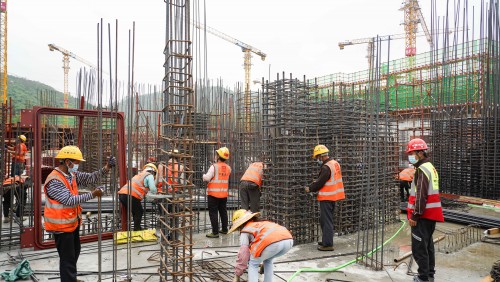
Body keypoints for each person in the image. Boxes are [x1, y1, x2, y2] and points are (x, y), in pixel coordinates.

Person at [43, 145, 116, 282]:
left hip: (71, 224)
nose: (77, 165)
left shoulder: (71, 175)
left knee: (74, 253)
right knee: (67, 258)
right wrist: (93, 194)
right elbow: (69, 200)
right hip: (61, 227)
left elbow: (90, 178)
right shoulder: (54, 180)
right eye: (76, 162)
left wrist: (107, 168)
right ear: (67, 162)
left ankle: (71, 278)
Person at [406, 138, 444, 282]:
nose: (410, 156)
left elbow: (421, 195)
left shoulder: (422, 170)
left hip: (422, 216)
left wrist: (415, 216)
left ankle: (423, 277)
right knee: (428, 246)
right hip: (430, 215)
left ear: (420, 153)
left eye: (412, 153)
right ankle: (429, 275)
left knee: (419, 248)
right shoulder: (430, 167)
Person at [229, 209, 293, 282]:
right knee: (268, 260)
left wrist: (237, 274)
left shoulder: (245, 230)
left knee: (253, 264)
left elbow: (243, 254)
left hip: (272, 243)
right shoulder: (261, 223)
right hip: (288, 241)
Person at [305, 144, 345, 251]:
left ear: (321, 156)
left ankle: (328, 244)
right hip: (333, 195)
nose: (317, 160)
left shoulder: (326, 167)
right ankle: (326, 239)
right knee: (324, 220)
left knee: (326, 221)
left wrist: (310, 188)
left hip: (327, 197)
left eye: (317, 157)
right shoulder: (335, 163)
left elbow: (321, 182)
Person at [118, 163, 158, 231]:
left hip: (122, 194)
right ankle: (137, 229)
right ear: (154, 172)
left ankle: (132, 227)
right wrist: (157, 194)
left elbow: (140, 188)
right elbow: (153, 189)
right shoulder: (149, 175)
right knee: (139, 211)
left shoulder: (139, 175)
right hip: (131, 195)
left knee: (135, 211)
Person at [203, 146, 231, 238]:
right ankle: (224, 229)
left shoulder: (213, 167)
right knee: (223, 212)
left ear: (218, 156)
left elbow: (207, 178)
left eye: (217, 154)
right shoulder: (228, 168)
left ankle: (215, 232)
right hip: (223, 194)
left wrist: (203, 175)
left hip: (213, 195)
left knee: (213, 213)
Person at [3, 135, 29, 222]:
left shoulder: (21, 145)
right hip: (17, 162)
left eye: (17, 138)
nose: (16, 139)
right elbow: (14, 149)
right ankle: (17, 215)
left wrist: (7, 150)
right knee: (14, 179)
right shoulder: (18, 145)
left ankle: (9, 216)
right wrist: (7, 147)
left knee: (16, 178)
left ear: (20, 139)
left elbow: (18, 153)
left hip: (18, 163)